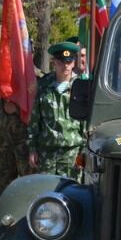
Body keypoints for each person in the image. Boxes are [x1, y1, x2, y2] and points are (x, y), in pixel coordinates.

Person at [28, 42, 86, 177]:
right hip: (46, 153)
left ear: (73, 63)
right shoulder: (43, 86)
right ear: (54, 62)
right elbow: (35, 120)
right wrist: (32, 149)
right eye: (61, 62)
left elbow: (86, 124)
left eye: (69, 61)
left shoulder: (81, 87)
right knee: (46, 192)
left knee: (71, 193)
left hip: (71, 152)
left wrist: (83, 152)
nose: (65, 66)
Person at [0, 76, 30, 196]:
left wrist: (18, 109)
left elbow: (39, 104)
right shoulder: (3, 74)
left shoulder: (34, 75)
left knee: (30, 188)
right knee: (4, 190)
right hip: (5, 143)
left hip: (27, 142)